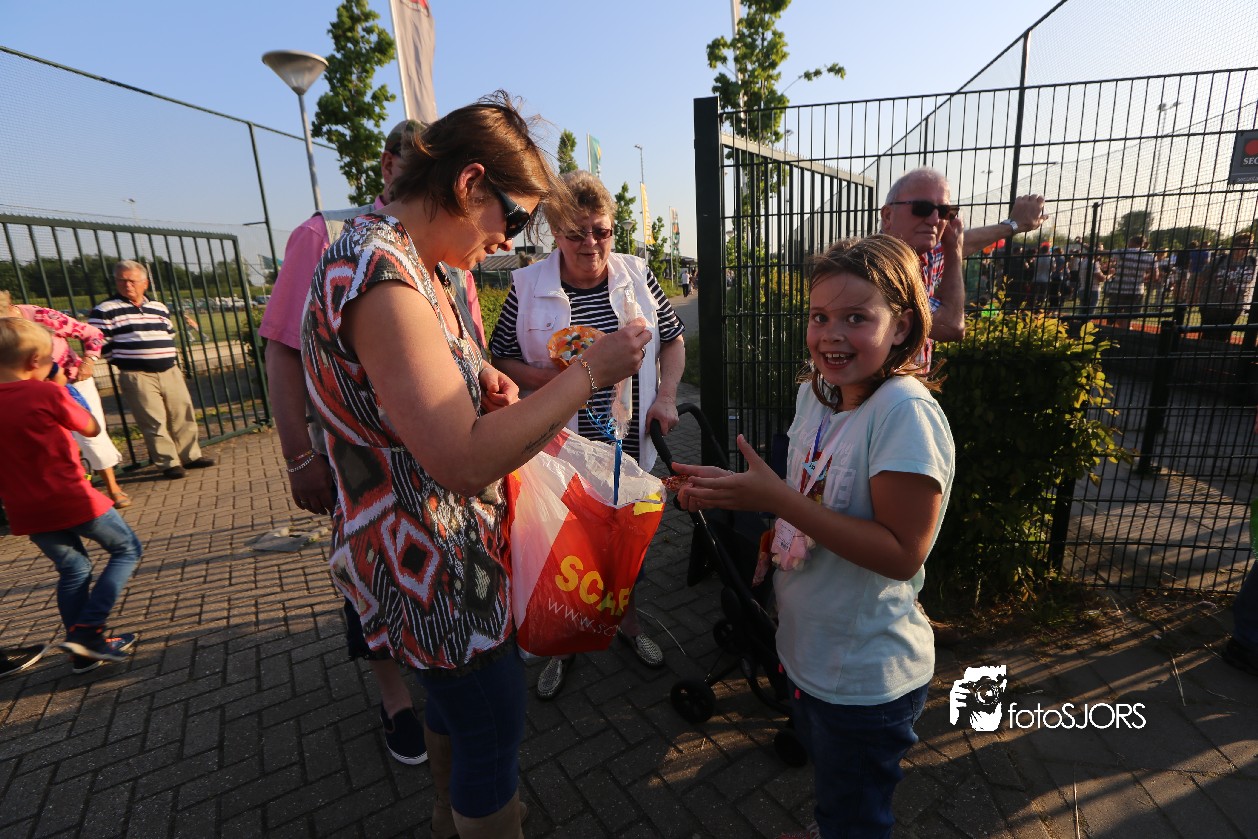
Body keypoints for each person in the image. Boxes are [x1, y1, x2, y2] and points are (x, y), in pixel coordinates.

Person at [302, 91, 650, 837]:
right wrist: (588, 373)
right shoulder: (381, 272)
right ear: (468, 184)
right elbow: (459, 460)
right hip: (431, 563)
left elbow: (420, 403)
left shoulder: (409, 262)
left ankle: (445, 813)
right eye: (514, 219)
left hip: (426, 555)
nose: (510, 241)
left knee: (455, 709)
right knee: (492, 722)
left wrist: (481, 382)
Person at [671, 234, 955, 839]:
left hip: (863, 679)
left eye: (856, 318)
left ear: (902, 326)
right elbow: (808, 496)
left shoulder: (903, 413)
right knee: (836, 791)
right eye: (820, 316)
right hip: (807, 653)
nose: (831, 334)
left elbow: (903, 554)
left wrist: (778, 500)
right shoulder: (818, 397)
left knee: (858, 814)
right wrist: (738, 494)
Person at [261, 118, 462, 766]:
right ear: (387, 165)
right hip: (359, 466)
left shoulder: (449, 247)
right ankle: (394, 698)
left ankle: (438, 675)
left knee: (428, 578)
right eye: (416, 164)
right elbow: (283, 351)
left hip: (435, 468)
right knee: (368, 573)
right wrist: (298, 455)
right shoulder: (325, 235)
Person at [488, 169, 686, 700]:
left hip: (627, 443)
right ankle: (565, 643)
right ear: (554, 232)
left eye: (601, 230)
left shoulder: (637, 276)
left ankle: (629, 626)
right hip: (560, 446)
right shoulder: (527, 287)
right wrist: (564, 380)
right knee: (567, 546)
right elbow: (501, 357)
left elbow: (673, 340)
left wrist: (667, 396)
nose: (591, 244)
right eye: (575, 233)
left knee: (624, 539)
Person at [0, 317, 143, 674]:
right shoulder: (45, 393)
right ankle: (89, 632)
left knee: (74, 568)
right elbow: (91, 427)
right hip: (70, 498)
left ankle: (82, 653)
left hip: (25, 509)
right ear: (35, 360)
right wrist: (61, 388)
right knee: (127, 550)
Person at [0, 291, 130, 507]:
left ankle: (112, 487)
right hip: (31, 391)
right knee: (52, 442)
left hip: (71, 381)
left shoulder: (40, 316)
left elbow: (92, 333)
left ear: (10, 306)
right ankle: (78, 490)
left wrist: (88, 362)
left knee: (90, 436)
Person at [88, 261, 215, 479]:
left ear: (145, 283)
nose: (127, 285)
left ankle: (191, 455)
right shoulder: (104, 310)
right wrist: (123, 361)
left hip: (169, 370)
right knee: (153, 420)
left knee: (183, 413)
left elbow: (169, 334)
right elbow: (99, 342)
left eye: (132, 280)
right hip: (137, 374)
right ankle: (168, 462)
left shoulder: (159, 307)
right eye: (121, 280)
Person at [1187, 232, 1256, 343]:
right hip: (1212, 304)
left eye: (1250, 245)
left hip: (1235, 306)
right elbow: (1201, 278)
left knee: (1224, 336)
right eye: (1244, 245)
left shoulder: (1253, 262)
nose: (1247, 248)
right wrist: (1194, 295)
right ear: (1235, 246)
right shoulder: (1220, 260)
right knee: (1208, 335)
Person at [1106, 235, 1159, 327]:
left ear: (1132, 242)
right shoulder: (1150, 256)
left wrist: (1084, 244)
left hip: (1119, 289)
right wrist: (1144, 278)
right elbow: (1155, 275)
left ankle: (1121, 329)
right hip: (1137, 290)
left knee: (1114, 313)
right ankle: (1126, 329)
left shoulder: (1122, 252)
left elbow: (1102, 252)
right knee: (1128, 316)